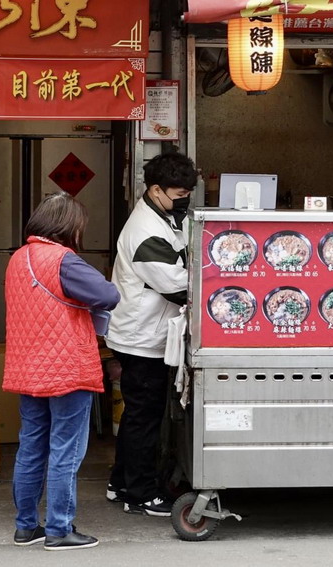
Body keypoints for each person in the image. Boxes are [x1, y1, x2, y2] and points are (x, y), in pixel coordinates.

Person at [3, 192, 120, 551]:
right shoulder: (63, 260)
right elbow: (108, 294)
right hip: (67, 367)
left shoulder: (17, 259)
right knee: (65, 449)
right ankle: (59, 529)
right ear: (69, 227)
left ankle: (26, 527)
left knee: (31, 447)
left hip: (28, 367)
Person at [105, 151, 199, 517]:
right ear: (156, 190)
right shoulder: (146, 231)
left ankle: (121, 483)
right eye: (178, 194)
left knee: (137, 416)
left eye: (188, 193)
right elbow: (178, 286)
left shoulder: (166, 216)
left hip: (146, 333)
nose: (184, 199)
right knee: (145, 418)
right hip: (141, 338)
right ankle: (141, 493)